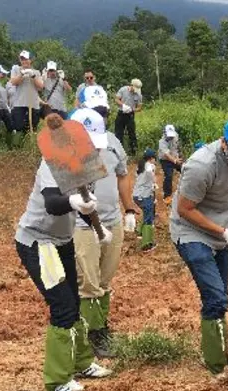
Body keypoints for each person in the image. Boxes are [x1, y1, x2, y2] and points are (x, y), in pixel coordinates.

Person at [14, 139, 112, 391]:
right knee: (63, 305)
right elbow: (52, 203)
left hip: (63, 240)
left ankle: (81, 363)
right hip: (38, 241)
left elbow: (84, 205)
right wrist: (74, 203)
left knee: (74, 302)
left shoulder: (89, 163)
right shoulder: (52, 162)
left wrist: (96, 227)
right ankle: (58, 381)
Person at [170, 116, 228, 378]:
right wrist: (222, 230)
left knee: (219, 296)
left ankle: (223, 350)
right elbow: (184, 210)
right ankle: (217, 363)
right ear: (224, 143)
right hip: (192, 232)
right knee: (216, 298)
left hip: (222, 233)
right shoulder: (201, 165)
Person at [70, 108, 137, 358]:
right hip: (82, 225)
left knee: (105, 279)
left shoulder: (112, 142)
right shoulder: (65, 152)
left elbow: (122, 175)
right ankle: (91, 335)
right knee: (88, 281)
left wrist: (128, 208)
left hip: (112, 220)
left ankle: (101, 327)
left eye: (102, 112)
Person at [9, 50, 44, 137]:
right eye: (22, 59)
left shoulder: (36, 72)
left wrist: (33, 76)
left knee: (33, 125)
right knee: (18, 126)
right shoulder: (16, 70)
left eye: (26, 59)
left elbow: (40, 87)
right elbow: (13, 82)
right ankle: (17, 147)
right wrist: (21, 74)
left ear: (30, 60)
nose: (24, 61)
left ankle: (30, 144)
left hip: (33, 103)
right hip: (19, 103)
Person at [133, 148, 158, 252]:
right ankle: (147, 244)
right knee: (149, 217)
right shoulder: (149, 166)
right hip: (143, 196)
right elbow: (149, 173)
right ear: (152, 158)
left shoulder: (141, 165)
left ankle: (140, 231)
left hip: (137, 195)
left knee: (148, 212)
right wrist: (153, 179)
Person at [114, 79, 143, 156]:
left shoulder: (139, 94)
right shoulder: (123, 90)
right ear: (132, 85)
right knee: (118, 133)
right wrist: (123, 105)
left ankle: (133, 152)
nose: (135, 91)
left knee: (132, 133)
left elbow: (139, 107)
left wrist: (132, 109)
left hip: (130, 115)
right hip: (121, 114)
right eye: (135, 88)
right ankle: (119, 152)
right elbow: (116, 99)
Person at [158, 124, 183, 205]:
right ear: (165, 133)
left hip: (175, 158)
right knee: (168, 175)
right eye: (169, 136)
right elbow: (167, 155)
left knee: (185, 169)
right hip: (165, 160)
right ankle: (167, 196)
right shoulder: (162, 142)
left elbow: (178, 146)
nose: (171, 137)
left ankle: (186, 190)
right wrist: (175, 161)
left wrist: (180, 155)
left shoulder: (175, 135)